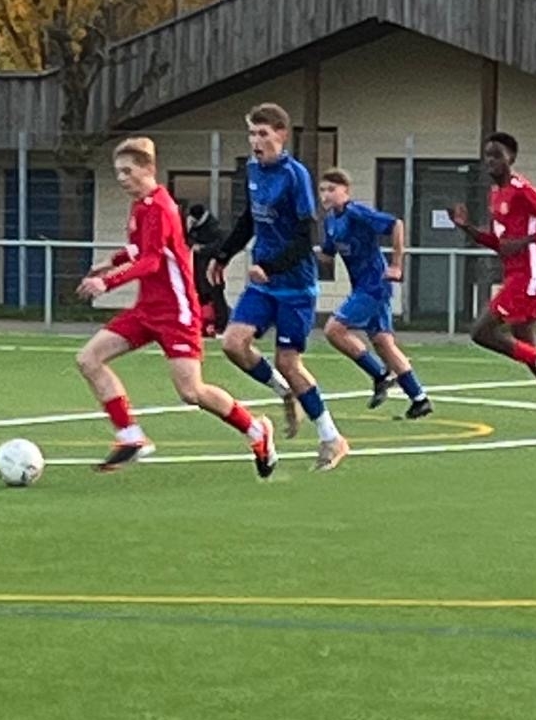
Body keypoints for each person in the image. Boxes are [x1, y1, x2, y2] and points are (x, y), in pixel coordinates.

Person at [75, 138, 278, 477]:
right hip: (146, 310)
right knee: (88, 359)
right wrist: (110, 262)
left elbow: (152, 261)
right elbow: (140, 251)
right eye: (118, 172)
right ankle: (130, 436)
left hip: (176, 313)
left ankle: (256, 430)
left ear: (148, 169)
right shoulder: (140, 206)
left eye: (128, 171)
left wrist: (107, 283)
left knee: (192, 391)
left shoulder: (161, 207)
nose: (122, 178)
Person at [210, 103, 349, 471]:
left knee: (289, 361)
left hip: (294, 286)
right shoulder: (252, 169)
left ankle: (332, 438)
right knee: (233, 343)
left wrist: (270, 267)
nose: (256, 141)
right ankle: (284, 391)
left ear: (281, 135)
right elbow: (249, 218)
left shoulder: (295, 175)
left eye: (263, 134)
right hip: (263, 284)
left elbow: (307, 236)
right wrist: (223, 255)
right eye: (252, 134)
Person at [446, 131, 536, 431]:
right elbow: (501, 243)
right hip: (515, 272)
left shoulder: (521, 189)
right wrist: (468, 228)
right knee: (526, 347)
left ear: (511, 158)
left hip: (529, 274)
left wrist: (525, 241)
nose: (490, 161)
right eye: (487, 155)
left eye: (497, 155)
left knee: (481, 331)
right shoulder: (496, 194)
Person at [317, 168, 432, 418]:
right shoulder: (330, 221)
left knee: (334, 329)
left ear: (346, 191)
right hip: (362, 285)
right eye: (322, 190)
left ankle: (380, 374)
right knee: (383, 342)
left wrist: (397, 265)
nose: (325, 195)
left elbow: (395, 224)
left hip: (374, 285)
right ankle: (419, 399)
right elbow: (327, 255)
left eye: (331, 190)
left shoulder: (356, 212)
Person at [183, 203, 230, 338]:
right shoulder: (193, 225)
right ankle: (203, 323)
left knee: (216, 293)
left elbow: (220, 244)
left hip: (212, 265)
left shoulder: (213, 226)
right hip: (198, 265)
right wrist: (193, 245)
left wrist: (203, 249)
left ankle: (220, 325)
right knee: (200, 294)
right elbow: (187, 239)